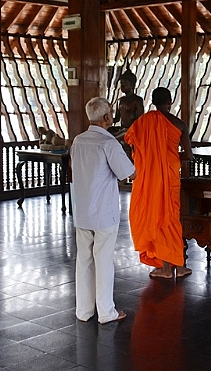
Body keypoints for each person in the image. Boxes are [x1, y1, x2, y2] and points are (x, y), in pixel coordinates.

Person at [70, 97, 135, 324]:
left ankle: (84, 311)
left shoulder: (78, 141)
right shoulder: (108, 144)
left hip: (83, 211)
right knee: (104, 261)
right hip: (104, 213)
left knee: (84, 261)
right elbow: (128, 172)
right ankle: (106, 312)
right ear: (107, 118)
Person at [125, 87, 194, 279]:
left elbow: (131, 143)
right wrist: (168, 156)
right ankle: (179, 267)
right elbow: (188, 155)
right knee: (170, 218)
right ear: (170, 102)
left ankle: (165, 269)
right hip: (170, 177)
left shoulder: (142, 123)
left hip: (149, 179)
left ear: (153, 102)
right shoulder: (180, 124)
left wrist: (153, 157)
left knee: (155, 216)